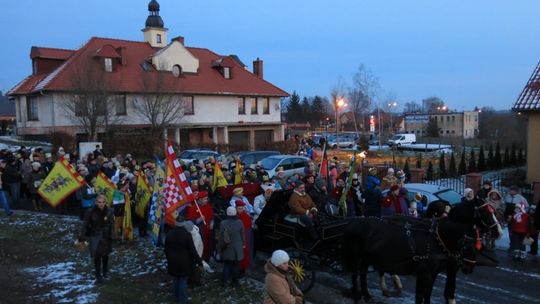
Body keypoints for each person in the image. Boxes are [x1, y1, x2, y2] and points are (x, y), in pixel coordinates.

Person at [165, 215, 202, 304]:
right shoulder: (187, 235)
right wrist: (199, 261)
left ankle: (175, 296)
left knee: (175, 279)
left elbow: (166, 249)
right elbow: (193, 250)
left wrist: (168, 258)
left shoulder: (169, 234)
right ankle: (182, 300)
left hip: (173, 261)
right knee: (182, 281)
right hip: (184, 262)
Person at [78, 194, 114, 283]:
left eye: (103, 202)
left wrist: (112, 234)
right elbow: (85, 224)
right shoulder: (90, 211)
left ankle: (105, 272)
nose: (101, 204)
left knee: (105, 254)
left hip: (106, 236)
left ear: (105, 202)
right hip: (95, 236)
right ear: (96, 202)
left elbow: (111, 223)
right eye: (99, 202)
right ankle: (98, 275)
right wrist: (82, 237)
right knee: (97, 255)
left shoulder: (110, 211)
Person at [218, 206, 245, 287]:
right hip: (237, 248)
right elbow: (242, 235)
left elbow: (221, 237)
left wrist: (219, 247)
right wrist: (243, 244)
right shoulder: (240, 222)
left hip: (227, 247)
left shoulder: (223, 223)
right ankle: (235, 281)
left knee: (227, 265)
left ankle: (224, 281)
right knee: (236, 266)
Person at [236, 200, 253, 273]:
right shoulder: (234, 216)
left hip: (244, 239)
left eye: (242, 208)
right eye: (239, 208)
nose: (241, 210)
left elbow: (248, 229)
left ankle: (243, 268)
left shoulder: (246, 216)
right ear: (236, 208)